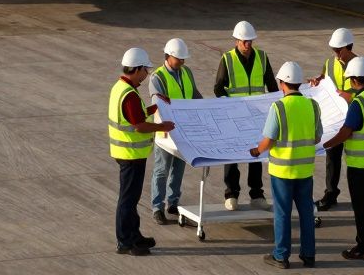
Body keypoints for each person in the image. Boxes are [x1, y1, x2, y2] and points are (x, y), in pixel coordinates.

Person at [248, 61, 321, 269]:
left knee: (282, 213)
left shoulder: (278, 107)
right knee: (306, 213)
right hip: (305, 170)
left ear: (282, 84)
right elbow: (317, 137)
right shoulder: (312, 105)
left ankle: (281, 256)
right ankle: (308, 255)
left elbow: (269, 140)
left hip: (282, 171)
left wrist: (256, 150)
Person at [108, 47, 175, 256]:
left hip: (128, 155)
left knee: (131, 198)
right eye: (145, 71)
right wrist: (161, 127)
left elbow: (135, 115)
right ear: (136, 69)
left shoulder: (120, 88)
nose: (146, 75)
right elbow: (138, 125)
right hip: (130, 156)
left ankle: (134, 236)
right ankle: (125, 242)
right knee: (128, 200)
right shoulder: (129, 94)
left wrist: (154, 108)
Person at [321, 56, 364, 260]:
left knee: (361, 206)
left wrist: (324, 144)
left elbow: (346, 132)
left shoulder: (358, 103)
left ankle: (363, 247)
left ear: (354, 80)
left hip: (359, 163)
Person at [213, 20, 277, 211]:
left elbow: (272, 86)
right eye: (244, 41)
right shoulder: (227, 59)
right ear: (236, 41)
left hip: (257, 116)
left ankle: (256, 193)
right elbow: (218, 88)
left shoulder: (263, 58)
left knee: (256, 154)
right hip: (235, 116)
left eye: (250, 41)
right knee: (233, 154)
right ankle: (231, 193)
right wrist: (232, 104)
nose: (248, 45)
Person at [148, 38, 201, 224]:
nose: (182, 62)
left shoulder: (186, 72)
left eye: (183, 59)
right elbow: (158, 103)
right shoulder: (157, 77)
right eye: (179, 59)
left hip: (183, 130)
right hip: (165, 132)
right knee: (162, 169)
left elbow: (194, 95)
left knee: (178, 169)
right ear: (168, 56)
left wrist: (207, 107)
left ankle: (173, 202)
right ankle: (157, 207)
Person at [308, 27, 356, 211]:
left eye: (339, 50)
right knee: (332, 155)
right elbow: (324, 76)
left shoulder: (360, 64)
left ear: (348, 48)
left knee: (354, 158)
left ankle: (357, 193)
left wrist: (348, 96)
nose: (336, 54)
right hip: (336, 119)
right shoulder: (330, 62)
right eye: (333, 50)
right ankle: (331, 193)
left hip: (354, 116)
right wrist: (317, 80)